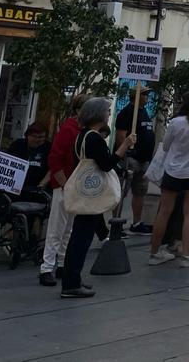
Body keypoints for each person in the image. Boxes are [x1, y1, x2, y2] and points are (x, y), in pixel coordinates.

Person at [60, 98, 135, 298]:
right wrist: (124, 146)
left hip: (85, 190)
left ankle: (72, 279)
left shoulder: (82, 136)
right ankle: (71, 282)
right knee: (81, 238)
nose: (109, 114)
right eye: (107, 111)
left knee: (80, 234)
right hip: (91, 194)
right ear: (98, 114)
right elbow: (106, 163)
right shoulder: (94, 138)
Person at [148, 91, 189, 266]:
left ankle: (154, 253)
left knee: (164, 211)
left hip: (173, 171)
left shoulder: (175, 123)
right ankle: (186, 254)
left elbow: (166, 145)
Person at [39, 94, 86, 287]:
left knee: (69, 228)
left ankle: (61, 263)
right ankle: (46, 267)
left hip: (75, 184)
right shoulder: (69, 129)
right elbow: (55, 158)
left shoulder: (83, 130)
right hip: (65, 183)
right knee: (57, 227)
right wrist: (63, 182)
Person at [113, 97, 156, 234]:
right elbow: (121, 135)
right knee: (121, 191)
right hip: (131, 159)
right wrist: (125, 154)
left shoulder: (144, 112)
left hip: (144, 160)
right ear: (137, 96)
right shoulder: (127, 112)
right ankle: (116, 223)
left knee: (140, 191)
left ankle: (137, 223)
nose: (147, 97)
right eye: (144, 94)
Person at [6, 122, 50, 196]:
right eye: (34, 136)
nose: (37, 139)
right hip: (14, 187)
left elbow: (53, 168)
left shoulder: (48, 148)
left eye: (41, 137)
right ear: (27, 135)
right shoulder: (18, 144)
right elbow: (5, 161)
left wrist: (42, 184)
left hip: (35, 190)